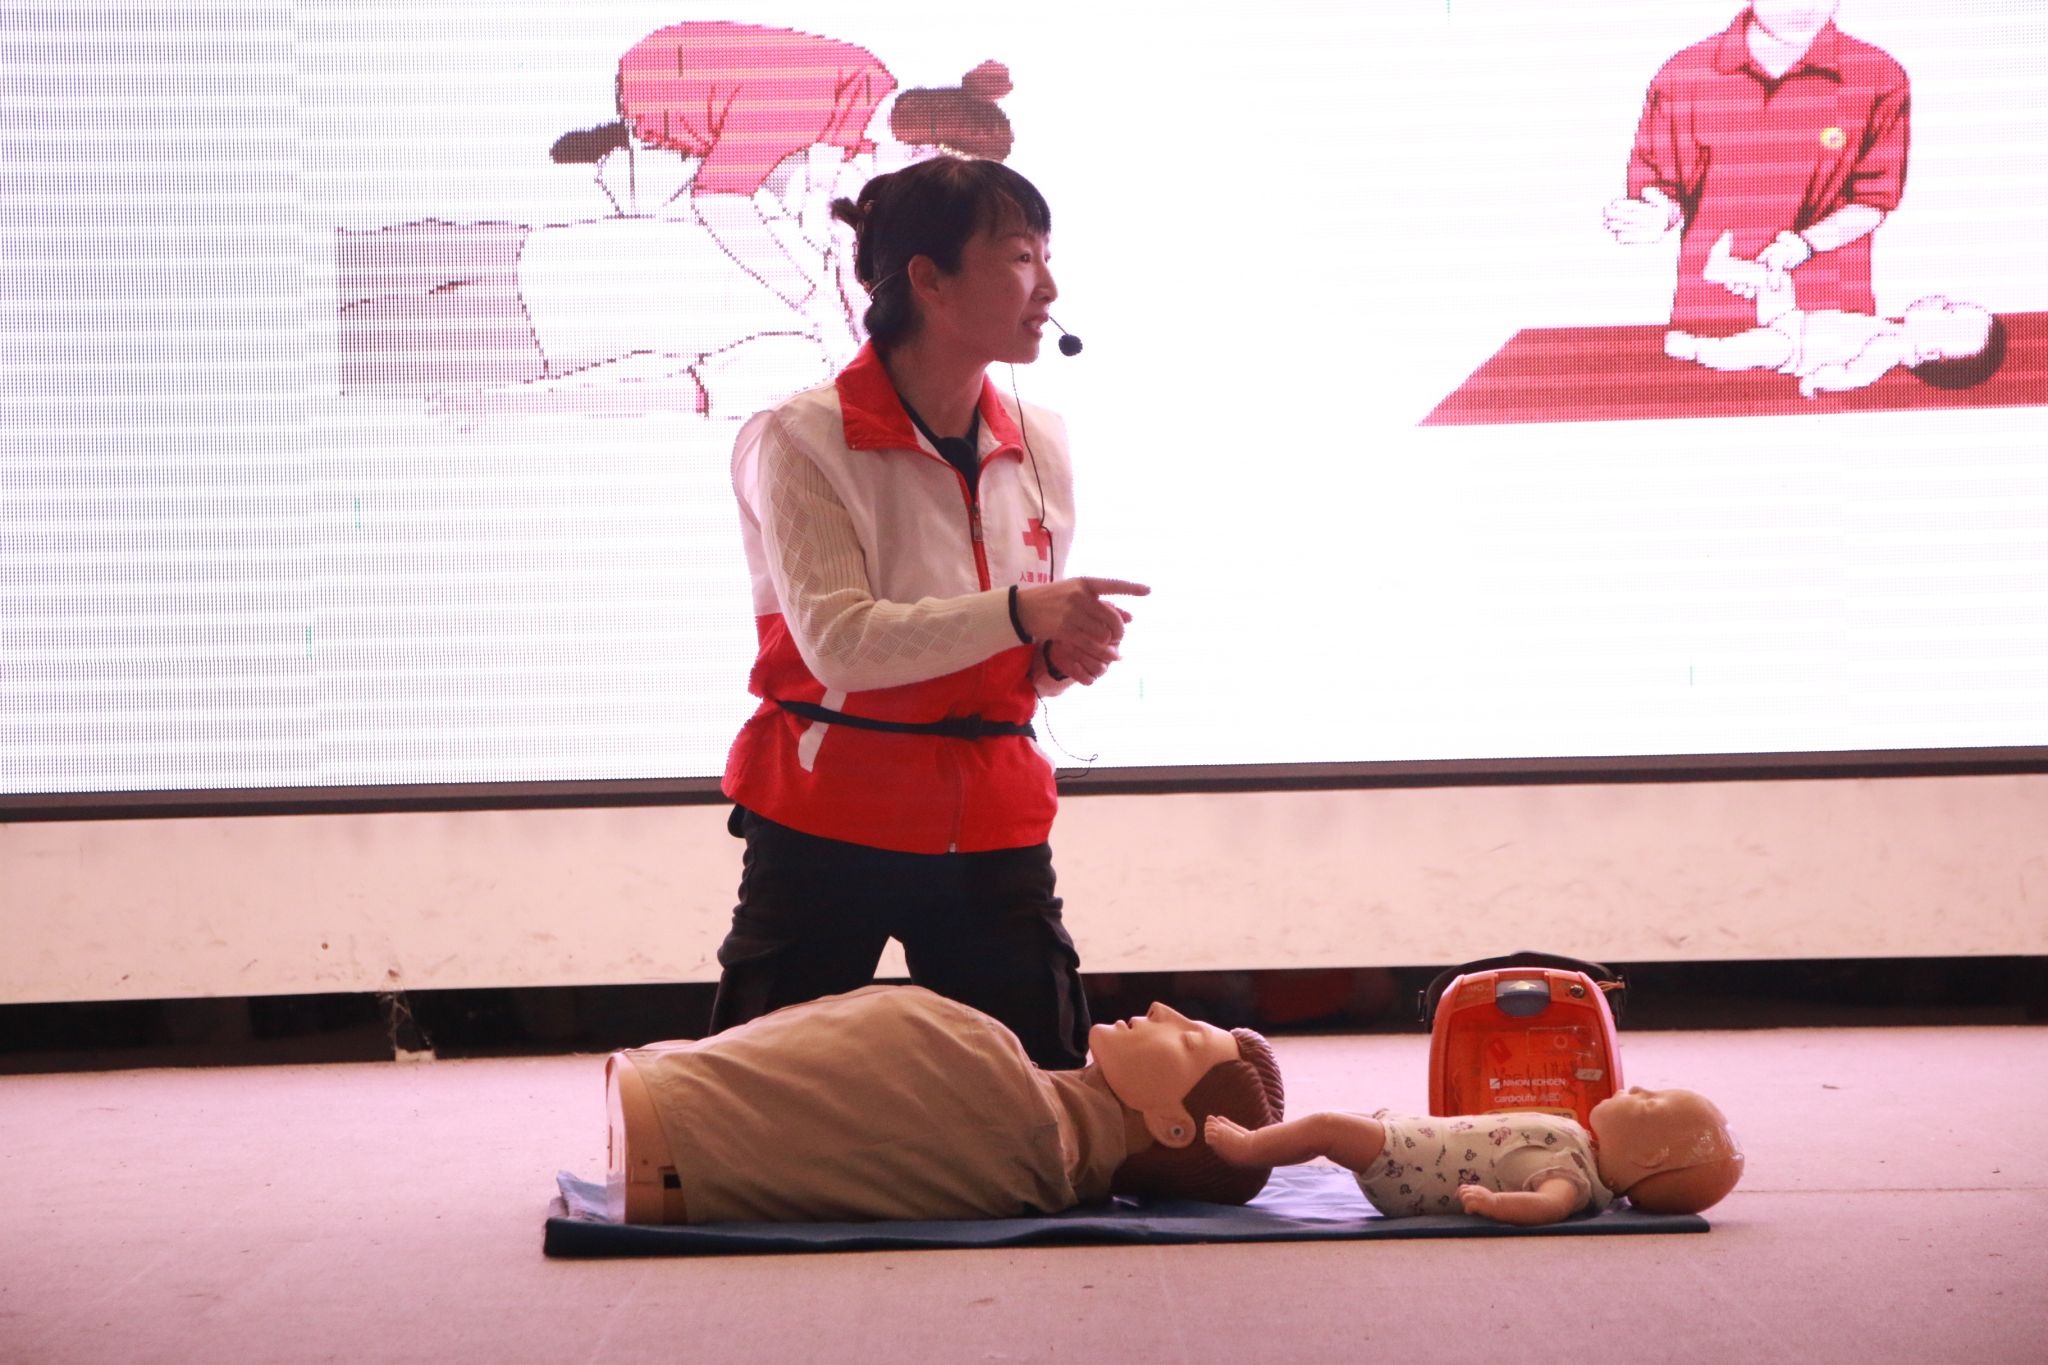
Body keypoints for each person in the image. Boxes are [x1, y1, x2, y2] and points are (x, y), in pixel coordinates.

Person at [711, 156, 1150, 1069]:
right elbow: (841, 646)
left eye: (1047, 255)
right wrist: (1025, 611)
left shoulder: (1043, 440)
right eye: (1021, 256)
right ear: (929, 278)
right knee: (750, 1109)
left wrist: (1055, 659)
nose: (1049, 286)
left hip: (994, 815)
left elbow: (1011, 652)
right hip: (829, 816)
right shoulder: (800, 437)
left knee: (1049, 1098)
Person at [604, 990, 1286, 1224]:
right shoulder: (1011, 1095)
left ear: (1174, 1126)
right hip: (663, 1110)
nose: (1164, 1010)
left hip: (664, 1129)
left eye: (1189, 1039)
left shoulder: (1009, 1101)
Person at [1603, 2, 1910, 337]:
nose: (1804, 7)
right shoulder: (1684, 74)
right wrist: (1658, 216)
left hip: (1831, 321)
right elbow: (1664, 187)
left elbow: (1874, 201)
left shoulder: (1879, 76)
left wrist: (1804, 245)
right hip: (1712, 313)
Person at [1205, 1086, 1743, 1225]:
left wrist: (1494, 1203)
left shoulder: (1572, 1177)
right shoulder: (1581, 1143)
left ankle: (1250, 1149)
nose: (1638, 1088)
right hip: (1415, 1142)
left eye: (1648, 1102)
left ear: (1649, 1158)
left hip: (1406, 1170)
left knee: (1327, 1128)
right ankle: (1262, 1144)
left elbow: (1550, 1205)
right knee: (1344, 1124)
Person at [1664, 231, 2007, 396]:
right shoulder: (1893, 333)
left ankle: (1697, 349)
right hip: (1793, 322)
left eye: (1947, 310)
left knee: (1754, 349)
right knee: (1777, 280)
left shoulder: (1891, 348)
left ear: (1930, 352)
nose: (1940, 299)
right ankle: (1723, 269)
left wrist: (1818, 380)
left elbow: (1853, 376)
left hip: (1793, 349)